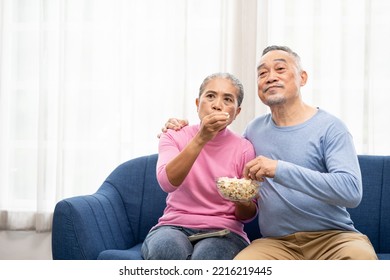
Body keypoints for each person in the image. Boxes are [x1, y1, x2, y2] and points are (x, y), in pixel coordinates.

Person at [160, 45, 378, 260]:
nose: (271, 77)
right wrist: (181, 127)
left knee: (362, 263)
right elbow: (220, 147)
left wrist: (279, 169)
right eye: (263, 73)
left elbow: (351, 191)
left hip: (334, 238)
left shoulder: (331, 127)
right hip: (276, 243)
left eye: (280, 69)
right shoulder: (254, 132)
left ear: (302, 78)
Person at [141, 72, 257, 260]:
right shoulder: (173, 135)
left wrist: (241, 198)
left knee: (207, 258)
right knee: (167, 252)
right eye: (210, 96)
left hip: (224, 231)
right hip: (172, 226)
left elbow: (248, 214)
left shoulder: (244, 148)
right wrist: (201, 138)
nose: (217, 104)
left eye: (227, 99)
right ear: (197, 103)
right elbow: (167, 183)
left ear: (237, 112)